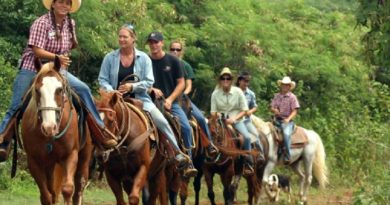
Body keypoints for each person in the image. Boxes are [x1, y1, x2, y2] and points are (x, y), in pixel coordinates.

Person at [0, 0, 117, 162]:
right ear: (53, 5)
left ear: (70, 8)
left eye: (67, 3)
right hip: (33, 67)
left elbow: (70, 47)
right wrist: (56, 57)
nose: (64, 6)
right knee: (17, 103)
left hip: (57, 70)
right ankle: (3, 141)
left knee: (83, 89)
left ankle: (99, 131)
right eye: (60, 2)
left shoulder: (71, 24)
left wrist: (60, 59)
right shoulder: (41, 23)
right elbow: (36, 50)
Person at [98, 24, 196, 177]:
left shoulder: (143, 58)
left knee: (161, 120)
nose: (122, 39)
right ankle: (95, 156)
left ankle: (177, 153)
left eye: (125, 36)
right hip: (114, 101)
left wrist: (132, 87)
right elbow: (102, 79)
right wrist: (112, 91)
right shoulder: (109, 58)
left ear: (133, 39)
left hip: (140, 99)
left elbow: (149, 81)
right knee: (97, 119)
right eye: (120, 36)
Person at [146, 31, 197, 177]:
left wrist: (169, 99)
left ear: (162, 43)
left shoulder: (173, 61)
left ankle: (189, 162)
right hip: (149, 101)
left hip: (171, 102)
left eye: (156, 42)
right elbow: (140, 81)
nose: (153, 45)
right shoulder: (145, 60)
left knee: (186, 128)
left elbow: (181, 84)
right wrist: (151, 89)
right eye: (151, 42)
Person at [169, 40, 218, 157]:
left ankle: (210, 145)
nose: (175, 51)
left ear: (182, 52)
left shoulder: (186, 66)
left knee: (200, 118)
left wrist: (184, 93)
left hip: (182, 98)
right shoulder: (165, 63)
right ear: (169, 50)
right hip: (166, 97)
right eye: (173, 49)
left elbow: (189, 84)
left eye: (178, 49)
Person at [210, 67, 255, 175]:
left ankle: (248, 162)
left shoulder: (238, 91)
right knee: (208, 134)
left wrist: (234, 119)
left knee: (247, 137)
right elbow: (213, 112)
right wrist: (218, 115)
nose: (225, 80)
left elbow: (245, 110)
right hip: (220, 121)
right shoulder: (215, 94)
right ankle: (207, 159)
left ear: (231, 80)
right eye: (223, 78)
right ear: (220, 80)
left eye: (228, 78)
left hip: (237, 120)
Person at [270, 76, 300, 163]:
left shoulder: (292, 97)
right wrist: (274, 110)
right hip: (276, 120)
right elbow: (272, 107)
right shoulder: (277, 96)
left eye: (286, 85)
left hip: (287, 121)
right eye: (283, 84)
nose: (284, 86)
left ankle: (287, 156)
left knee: (286, 134)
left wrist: (288, 119)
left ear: (289, 86)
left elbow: (295, 111)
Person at [236, 71, 264, 161]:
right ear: (239, 81)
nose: (246, 83)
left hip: (246, 120)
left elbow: (255, 106)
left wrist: (250, 111)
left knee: (256, 135)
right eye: (244, 81)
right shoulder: (234, 92)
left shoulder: (251, 94)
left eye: (247, 81)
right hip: (235, 119)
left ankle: (261, 154)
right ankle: (247, 158)